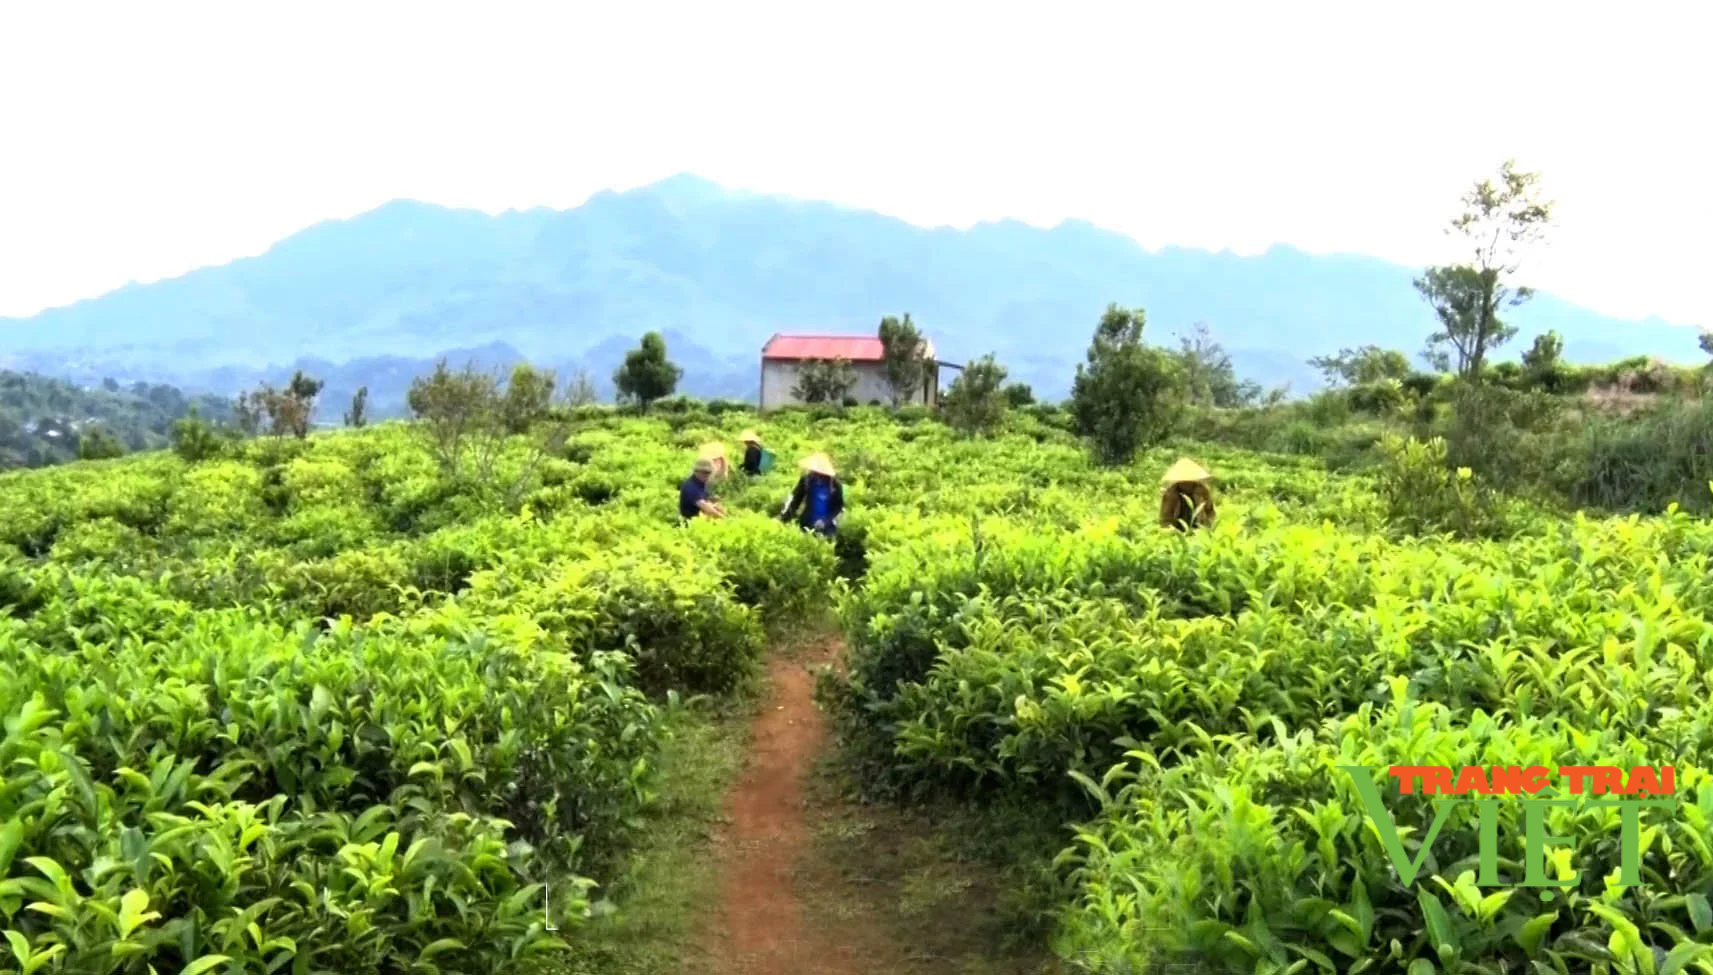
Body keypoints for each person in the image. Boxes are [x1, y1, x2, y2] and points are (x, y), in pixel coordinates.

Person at [781, 452, 842, 538]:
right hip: (807, 523)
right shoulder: (807, 480)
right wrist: (784, 518)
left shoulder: (835, 485)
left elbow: (838, 507)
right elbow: (795, 499)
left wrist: (825, 520)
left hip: (827, 528)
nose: (817, 474)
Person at [1159, 458, 1215, 531]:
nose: (1186, 484)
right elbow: (1165, 516)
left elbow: (1210, 510)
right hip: (1177, 530)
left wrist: (1208, 526)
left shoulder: (1202, 491)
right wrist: (1168, 529)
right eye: (1184, 481)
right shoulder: (1170, 493)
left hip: (1199, 528)